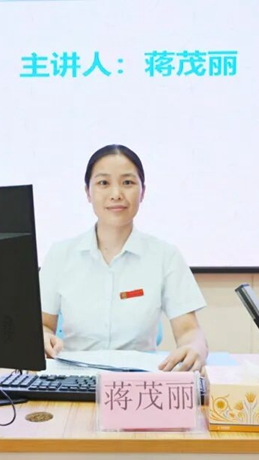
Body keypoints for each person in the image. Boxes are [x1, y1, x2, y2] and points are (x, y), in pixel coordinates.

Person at [39, 144, 209, 371]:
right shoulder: (60, 255)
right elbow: (43, 325)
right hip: (72, 377)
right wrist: (42, 337)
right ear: (88, 192)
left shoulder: (165, 256)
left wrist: (195, 347)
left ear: (143, 192)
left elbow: (189, 331)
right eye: (103, 183)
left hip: (138, 380)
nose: (116, 194)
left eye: (127, 182)